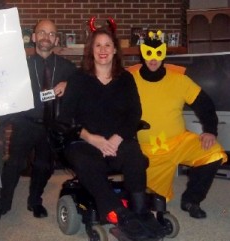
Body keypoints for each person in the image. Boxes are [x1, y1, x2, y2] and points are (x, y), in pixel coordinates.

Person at [58, 26, 165, 240]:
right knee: (89, 164)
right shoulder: (78, 80)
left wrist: (116, 139)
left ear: (115, 50)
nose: (103, 49)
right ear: (91, 51)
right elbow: (65, 119)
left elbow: (134, 114)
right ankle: (121, 215)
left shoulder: (125, 79)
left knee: (134, 156)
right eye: (98, 45)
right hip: (85, 142)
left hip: (117, 140)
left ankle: (141, 211)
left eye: (108, 45)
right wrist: (90, 138)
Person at [128, 31, 228, 219]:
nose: (153, 59)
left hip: (180, 142)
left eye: (158, 53)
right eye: (149, 53)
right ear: (142, 53)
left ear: (164, 53)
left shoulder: (179, 80)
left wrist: (210, 131)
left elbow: (204, 104)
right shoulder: (130, 80)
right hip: (149, 152)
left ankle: (192, 199)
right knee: (153, 202)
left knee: (213, 153)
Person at [0, 19, 77, 220]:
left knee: (44, 166)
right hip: (25, 122)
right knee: (14, 164)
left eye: (51, 34)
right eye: (42, 32)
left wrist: (69, 83)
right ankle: (4, 203)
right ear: (34, 37)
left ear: (56, 39)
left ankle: (35, 201)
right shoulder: (20, 66)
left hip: (51, 125)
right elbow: (9, 96)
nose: (46, 37)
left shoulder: (66, 67)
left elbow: (84, 82)